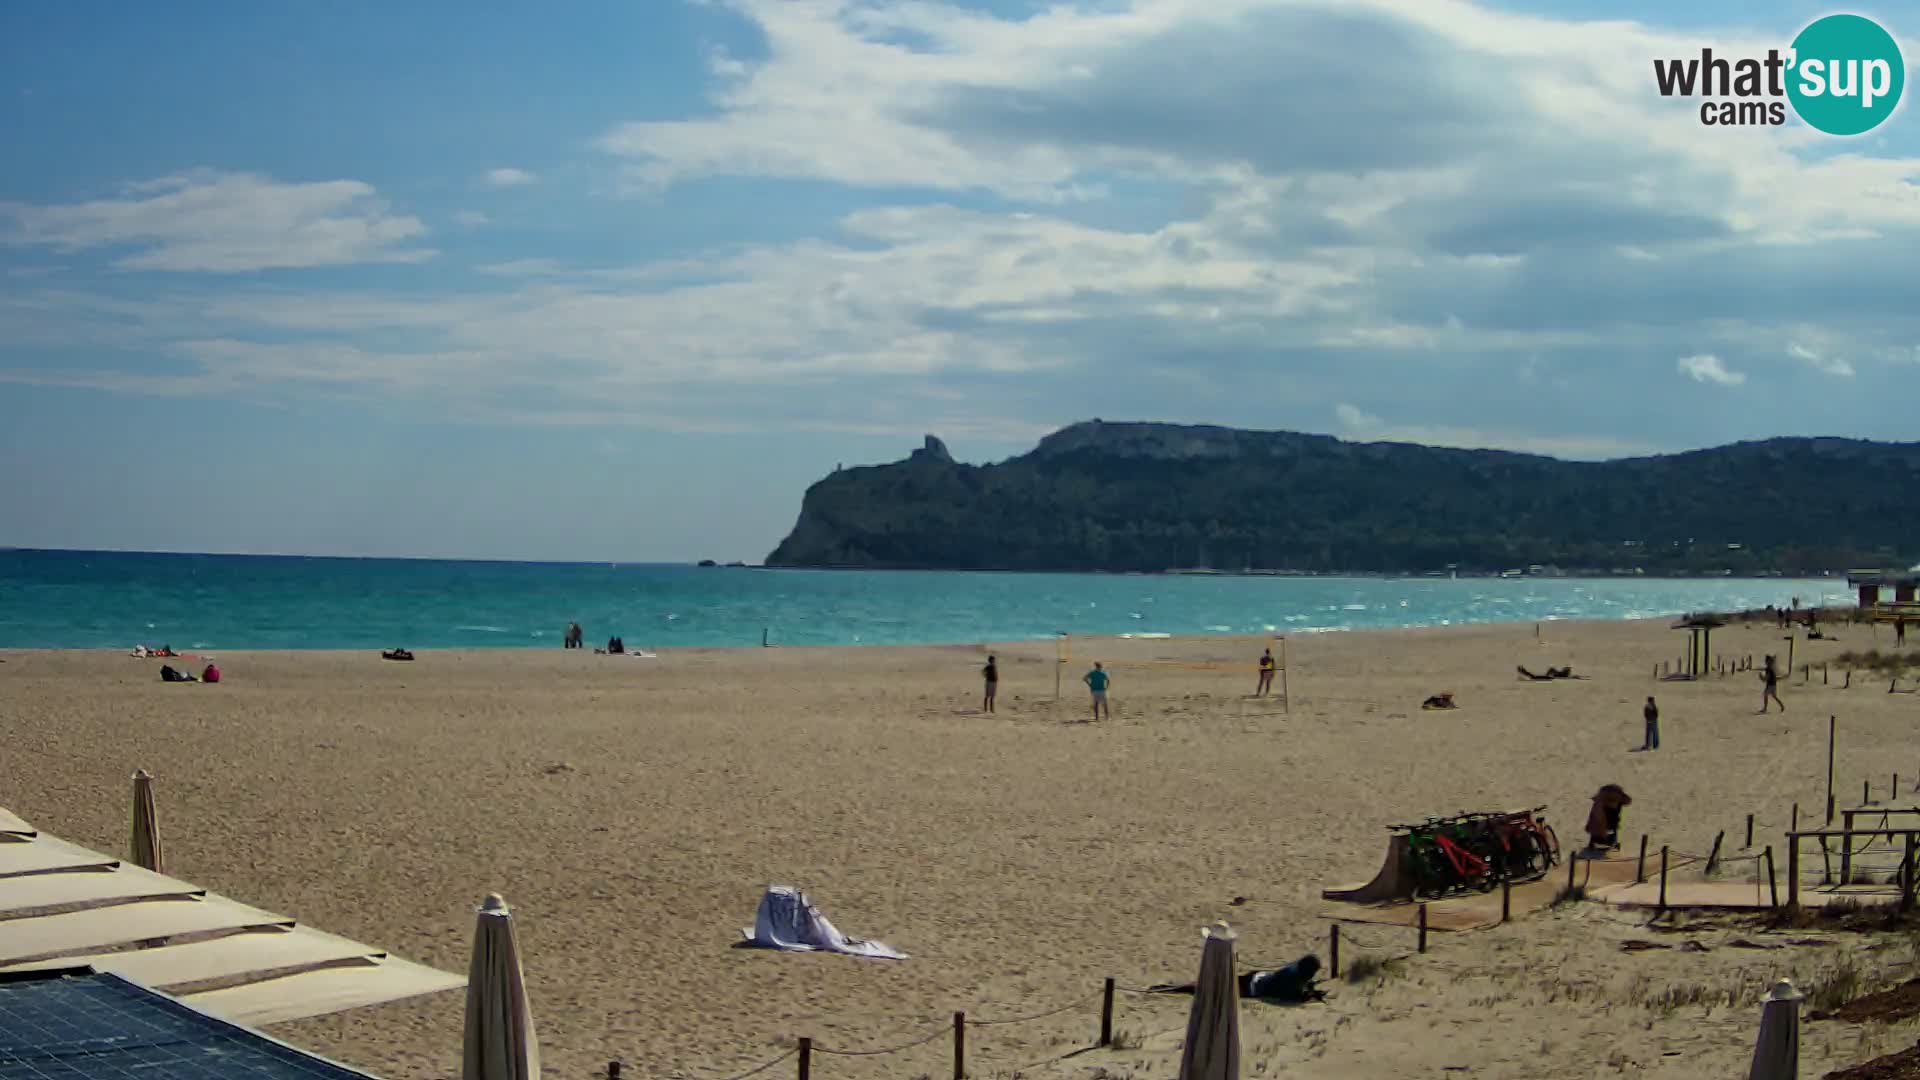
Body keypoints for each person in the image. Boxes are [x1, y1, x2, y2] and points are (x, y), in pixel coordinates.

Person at [1585, 784, 1631, 850]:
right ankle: (1608, 842)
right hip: (1609, 824)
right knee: (1610, 829)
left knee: (1608, 828)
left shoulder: (1601, 802)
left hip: (1606, 823)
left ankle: (1603, 842)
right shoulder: (1614, 802)